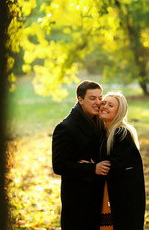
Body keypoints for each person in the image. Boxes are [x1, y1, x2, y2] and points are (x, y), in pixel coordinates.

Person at [52, 80, 111, 230]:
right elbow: (59, 165)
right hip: (78, 199)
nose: (98, 102)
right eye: (93, 98)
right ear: (80, 100)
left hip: (99, 195)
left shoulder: (100, 122)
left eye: (100, 98)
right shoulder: (65, 128)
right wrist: (93, 169)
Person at [99, 92, 146, 230]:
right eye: (104, 103)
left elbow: (115, 167)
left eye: (111, 105)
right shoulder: (105, 132)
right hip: (115, 194)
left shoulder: (121, 133)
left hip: (126, 198)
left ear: (119, 112)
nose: (105, 107)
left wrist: (92, 167)